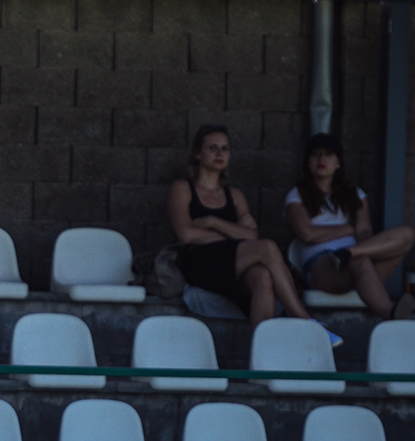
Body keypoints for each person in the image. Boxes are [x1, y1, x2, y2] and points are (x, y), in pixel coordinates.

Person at [167, 124, 339, 343]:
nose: (220, 153)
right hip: (200, 263)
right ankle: (306, 322)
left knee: (263, 276)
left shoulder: (235, 195)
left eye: (225, 148)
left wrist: (212, 222)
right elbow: (187, 235)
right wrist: (235, 232)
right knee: (267, 248)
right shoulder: (182, 188)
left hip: (233, 262)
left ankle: (262, 355)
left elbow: (251, 236)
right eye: (212, 148)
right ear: (198, 154)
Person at [284, 131, 415, 321]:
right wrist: (348, 229)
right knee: (360, 261)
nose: (322, 158)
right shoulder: (296, 195)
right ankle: (391, 314)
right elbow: (308, 234)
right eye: (316, 154)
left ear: (338, 162)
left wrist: (358, 250)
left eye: (328, 154)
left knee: (407, 234)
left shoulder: (355, 194)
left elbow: (364, 232)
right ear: (308, 162)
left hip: (358, 258)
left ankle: (349, 254)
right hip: (322, 266)